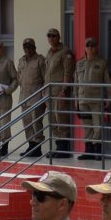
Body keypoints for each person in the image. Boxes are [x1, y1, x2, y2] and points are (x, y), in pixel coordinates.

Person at [76, 39, 111, 161]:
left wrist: (109, 98)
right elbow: (76, 84)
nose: (90, 48)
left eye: (93, 46)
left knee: (97, 127)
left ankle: (97, 150)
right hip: (83, 100)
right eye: (88, 46)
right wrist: (75, 101)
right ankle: (89, 151)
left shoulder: (102, 63)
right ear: (85, 48)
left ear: (96, 48)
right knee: (87, 127)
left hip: (96, 100)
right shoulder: (79, 64)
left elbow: (108, 82)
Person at [44, 29, 76, 159]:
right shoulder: (50, 53)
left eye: (53, 36)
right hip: (49, 90)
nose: (51, 38)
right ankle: (58, 146)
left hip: (59, 90)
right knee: (52, 118)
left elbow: (68, 72)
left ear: (58, 37)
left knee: (61, 117)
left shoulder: (65, 52)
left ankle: (64, 148)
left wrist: (64, 90)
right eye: (49, 36)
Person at [14, 38, 47, 157]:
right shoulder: (21, 60)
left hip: (36, 97)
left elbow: (46, 79)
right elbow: (19, 77)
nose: (27, 49)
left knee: (36, 123)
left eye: (29, 47)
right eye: (25, 47)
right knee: (27, 123)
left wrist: (44, 96)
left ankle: (37, 147)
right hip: (24, 97)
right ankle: (31, 145)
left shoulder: (40, 60)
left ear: (34, 47)